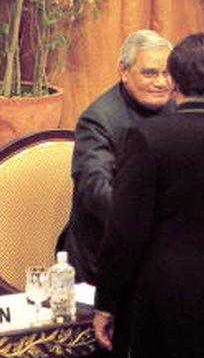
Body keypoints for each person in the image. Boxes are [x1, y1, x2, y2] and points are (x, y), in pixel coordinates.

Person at [93, 34, 204, 358]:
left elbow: (125, 231)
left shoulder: (147, 138)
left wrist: (106, 304)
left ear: (173, 82)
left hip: (162, 295)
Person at [61, 29, 174, 284]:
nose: (161, 82)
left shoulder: (176, 109)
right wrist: (159, 222)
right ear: (123, 71)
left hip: (163, 255)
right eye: (150, 73)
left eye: (167, 73)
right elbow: (96, 191)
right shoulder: (98, 120)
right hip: (104, 264)